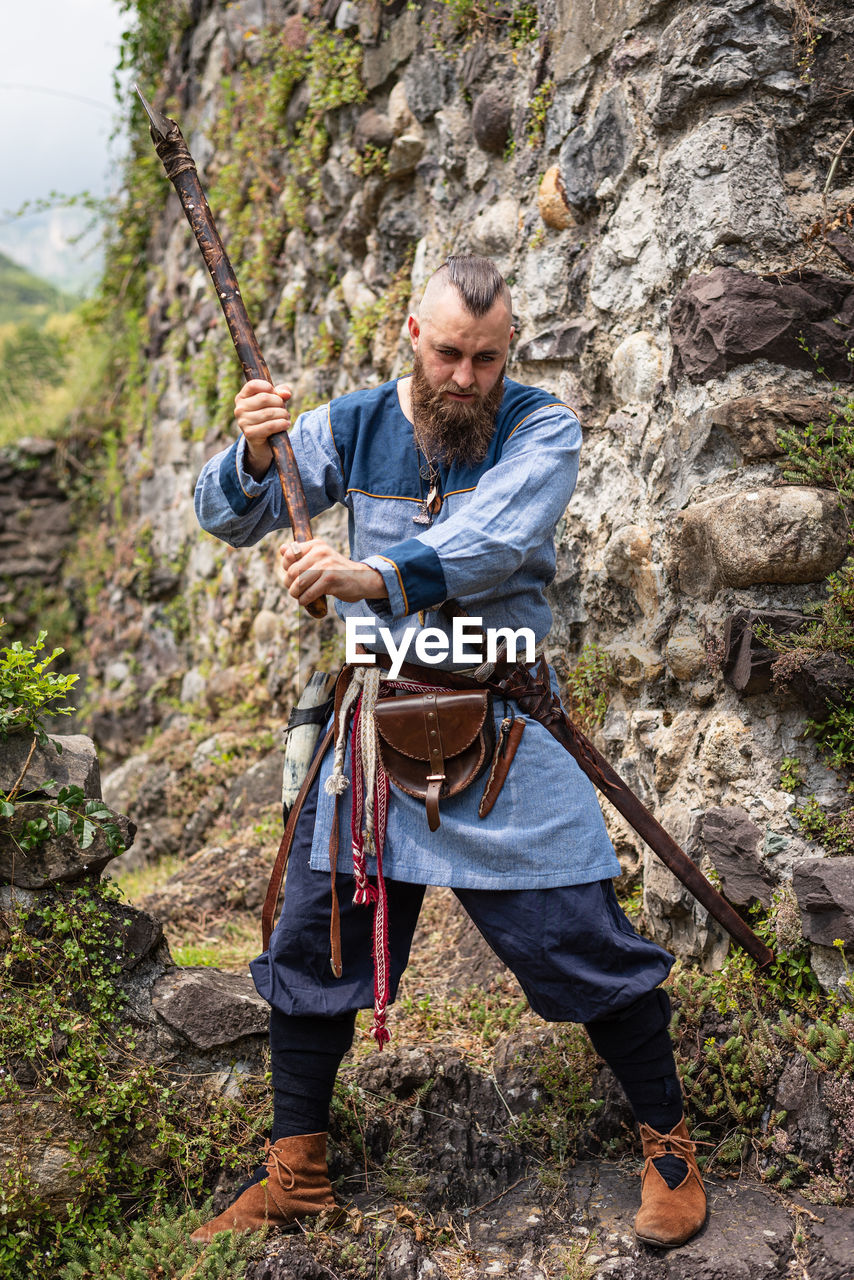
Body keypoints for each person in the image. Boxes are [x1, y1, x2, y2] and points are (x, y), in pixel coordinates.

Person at [190, 255, 706, 1249]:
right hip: (376, 726)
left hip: (504, 715)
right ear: (410, 335)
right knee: (313, 940)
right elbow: (227, 516)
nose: (464, 376)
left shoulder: (539, 426)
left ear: (506, 348)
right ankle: (295, 1169)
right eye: (447, 353)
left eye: (484, 356)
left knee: (579, 938)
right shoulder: (348, 422)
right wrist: (256, 456)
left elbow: (495, 539)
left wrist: (367, 571)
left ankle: (671, 1150)